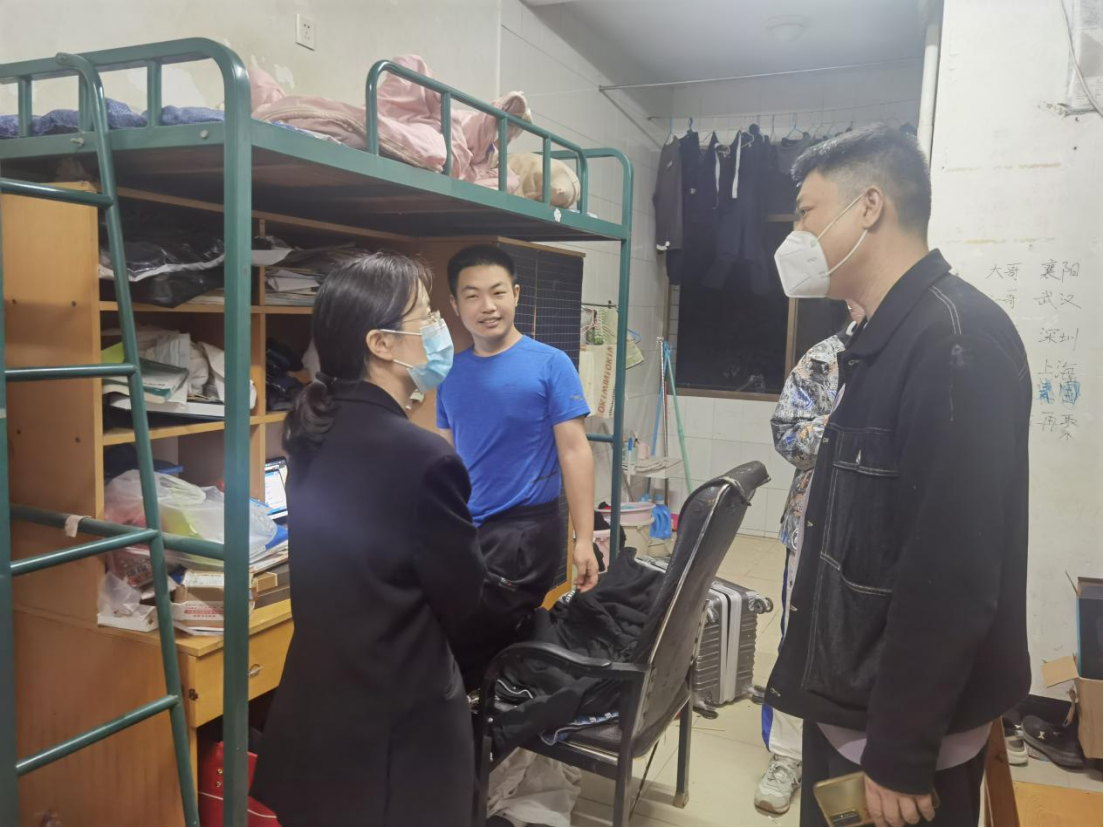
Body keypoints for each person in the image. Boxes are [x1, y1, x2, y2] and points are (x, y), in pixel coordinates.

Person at [767, 125, 1031, 827]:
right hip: (854, 705)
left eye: (806, 213)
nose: (797, 236)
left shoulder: (955, 341)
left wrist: (901, 751)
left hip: (895, 741)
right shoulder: (882, 339)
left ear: (869, 207)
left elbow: (953, 571)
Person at [251, 252, 485, 826]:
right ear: (381, 344)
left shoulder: (309, 430)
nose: (440, 329)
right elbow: (464, 604)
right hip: (398, 732)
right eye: (426, 316)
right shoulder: (426, 458)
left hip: (319, 716)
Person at [436, 244, 599, 688]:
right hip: (470, 528)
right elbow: (448, 457)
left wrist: (584, 539)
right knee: (467, 643)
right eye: (472, 295)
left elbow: (575, 452)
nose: (487, 306)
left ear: (516, 295)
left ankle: (489, 719)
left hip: (524, 531)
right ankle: (495, 714)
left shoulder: (550, 364)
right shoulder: (449, 373)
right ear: (455, 304)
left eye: (497, 292)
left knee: (464, 643)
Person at [756, 302, 863, 816]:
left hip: (879, 537)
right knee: (800, 635)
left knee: (862, 645)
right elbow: (788, 437)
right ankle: (787, 755)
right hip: (813, 524)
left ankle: (856, 760)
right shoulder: (824, 359)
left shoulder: (914, 355)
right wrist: (844, 421)